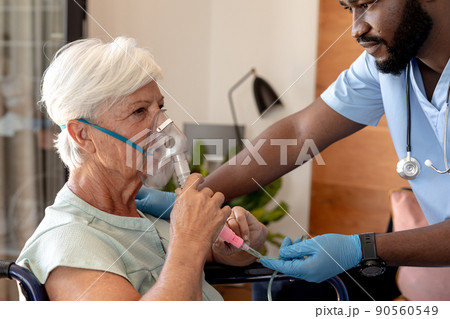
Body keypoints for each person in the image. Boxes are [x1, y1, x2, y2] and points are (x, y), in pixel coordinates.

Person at [138, 0, 450, 285]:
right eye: (348, 8)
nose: (356, 27)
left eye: (367, 4)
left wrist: (361, 248)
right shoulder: (387, 62)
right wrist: (200, 195)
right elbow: (298, 133)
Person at [16, 37, 268, 301]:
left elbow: (211, 255)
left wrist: (238, 246)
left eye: (159, 108)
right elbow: (184, 259)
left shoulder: (141, 218)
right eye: (138, 111)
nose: (163, 126)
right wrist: (190, 238)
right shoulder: (68, 244)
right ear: (83, 135)